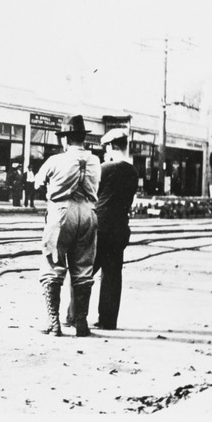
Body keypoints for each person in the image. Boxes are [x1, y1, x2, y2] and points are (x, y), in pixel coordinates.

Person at [34, 114, 101, 337]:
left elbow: (37, 183)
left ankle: (54, 323)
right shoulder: (95, 161)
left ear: (65, 139)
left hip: (61, 213)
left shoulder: (55, 160)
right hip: (88, 213)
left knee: (53, 265)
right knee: (83, 268)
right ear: (83, 138)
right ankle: (81, 322)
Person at [91, 128, 139, 329]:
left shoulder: (104, 169)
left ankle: (75, 314)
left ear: (110, 146)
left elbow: (92, 195)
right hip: (120, 229)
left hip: (100, 229)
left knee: (83, 272)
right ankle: (108, 320)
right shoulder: (133, 172)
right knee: (112, 275)